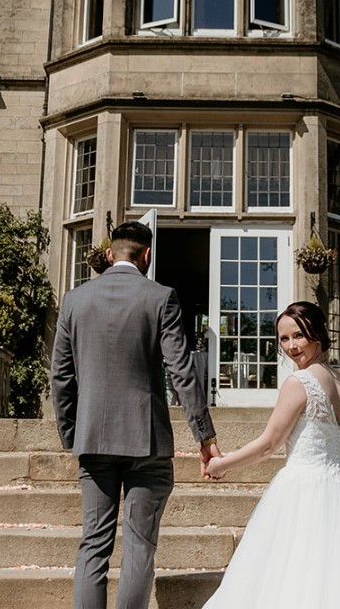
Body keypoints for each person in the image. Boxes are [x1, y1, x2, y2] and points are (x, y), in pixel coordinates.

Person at [51, 220, 220, 609]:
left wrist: (71, 433)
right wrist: (205, 436)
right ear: (147, 254)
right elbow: (181, 371)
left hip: (93, 439)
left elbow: (60, 377)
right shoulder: (161, 297)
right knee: (140, 545)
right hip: (147, 441)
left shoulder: (74, 300)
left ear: (110, 255)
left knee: (94, 543)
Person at [203, 301, 340, 609]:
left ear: (317, 334)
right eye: (284, 338)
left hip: (300, 490)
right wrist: (334, 485)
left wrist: (221, 464)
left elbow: (269, 445)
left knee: (290, 578)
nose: (291, 346)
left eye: (298, 335)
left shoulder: (299, 382)